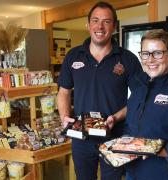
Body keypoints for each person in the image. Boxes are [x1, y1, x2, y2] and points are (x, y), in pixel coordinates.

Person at [57, 1, 142, 180]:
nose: (100, 26)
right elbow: (64, 92)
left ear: (114, 26)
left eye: (106, 21)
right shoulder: (73, 56)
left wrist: (116, 117)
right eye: (95, 20)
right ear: (88, 25)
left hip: (115, 137)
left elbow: (139, 98)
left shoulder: (128, 59)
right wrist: (64, 118)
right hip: (81, 138)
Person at [121, 29, 168, 180]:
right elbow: (131, 124)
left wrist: (164, 150)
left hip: (163, 173)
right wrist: (123, 144)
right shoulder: (139, 85)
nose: (150, 60)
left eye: (157, 53)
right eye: (145, 54)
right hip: (133, 172)